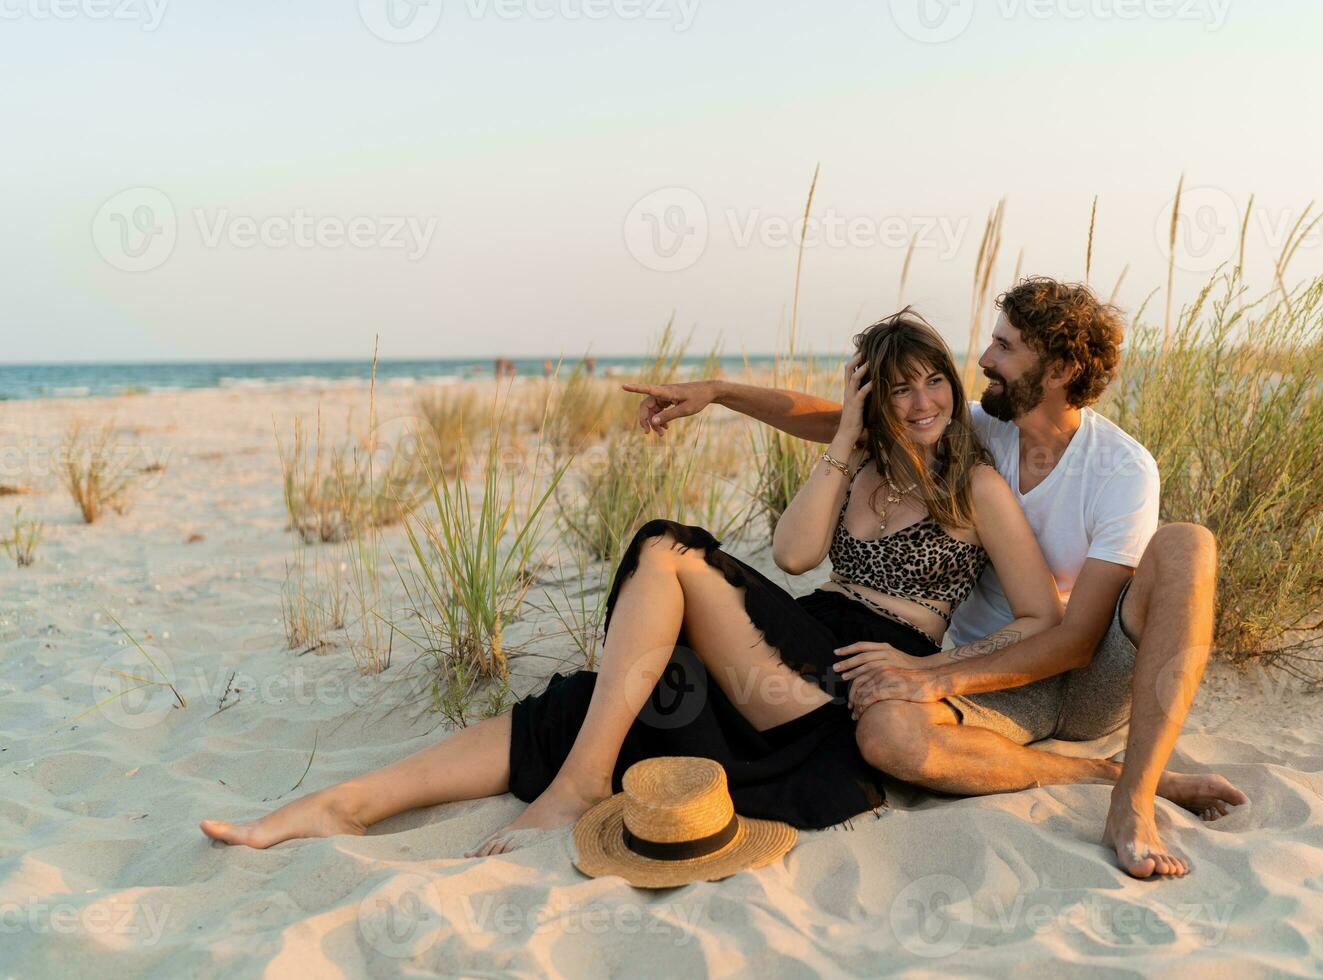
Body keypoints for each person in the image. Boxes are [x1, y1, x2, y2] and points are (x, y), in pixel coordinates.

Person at [200, 311, 1062, 855]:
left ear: (953, 380)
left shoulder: (976, 486)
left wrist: (933, 673)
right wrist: (841, 433)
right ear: (871, 400)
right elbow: (795, 557)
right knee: (589, 702)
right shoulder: (860, 456)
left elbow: (1039, 619)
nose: (922, 402)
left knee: (664, 547)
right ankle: (341, 806)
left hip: (849, 686)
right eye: (899, 388)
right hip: (793, 644)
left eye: (933, 380)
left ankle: (580, 784)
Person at [623, 278, 1248, 879]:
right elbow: (837, 419)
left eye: (1004, 346)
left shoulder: (1121, 469)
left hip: (1087, 676)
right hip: (998, 679)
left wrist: (928, 672)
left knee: (1188, 543)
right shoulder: (981, 424)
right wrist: (720, 392)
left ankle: (1134, 799)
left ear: (1057, 370)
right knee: (886, 736)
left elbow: (1076, 640)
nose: (982, 357)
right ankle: (1098, 774)